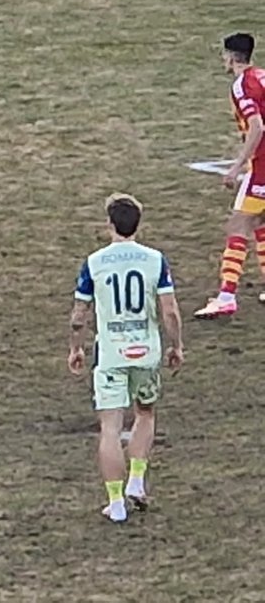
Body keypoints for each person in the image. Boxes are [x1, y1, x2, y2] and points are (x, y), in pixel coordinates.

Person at [69, 194, 183, 522]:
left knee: (110, 427)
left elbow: (79, 314)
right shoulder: (155, 260)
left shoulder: (95, 262)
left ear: (109, 224)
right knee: (145, 413)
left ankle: (116, 503)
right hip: (146, 354)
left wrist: (76, 347)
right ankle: (136, 480)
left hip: (111, 355)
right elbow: (170, 311)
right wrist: (176, 345)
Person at [195, 32, 265, 318]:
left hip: (262, 168)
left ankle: (226, 296)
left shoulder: (241, 85)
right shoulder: (262, 76)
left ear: (231, 56)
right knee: (259, 222)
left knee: (238, 226)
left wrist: (237, 166)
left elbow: (257, 127)